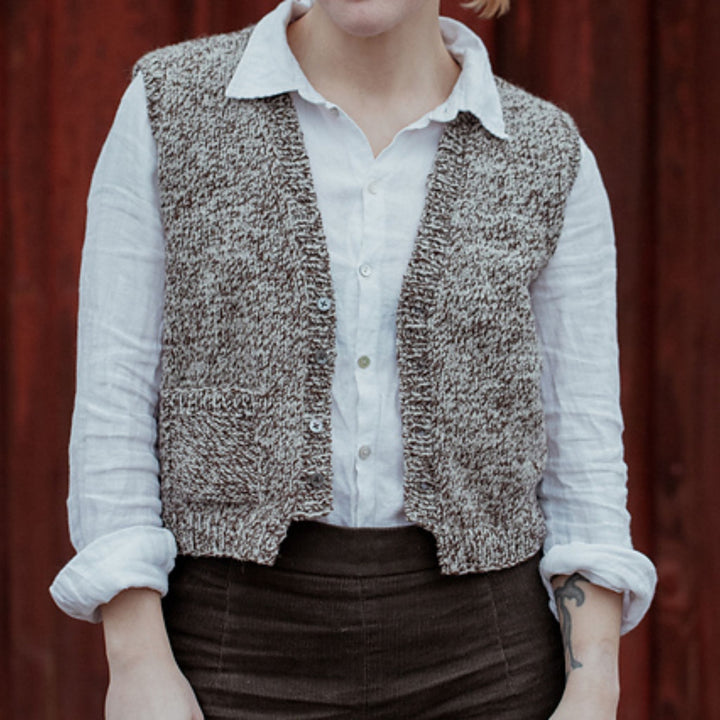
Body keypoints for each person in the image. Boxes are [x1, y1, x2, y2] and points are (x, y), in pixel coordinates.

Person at [50, 0, 657, 718]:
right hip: (226, 655)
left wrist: (593, 686)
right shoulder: (171, 107)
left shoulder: (547, 155)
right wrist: (137, 660)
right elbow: (115, 398)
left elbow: (582, 448)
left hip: (488, 668)